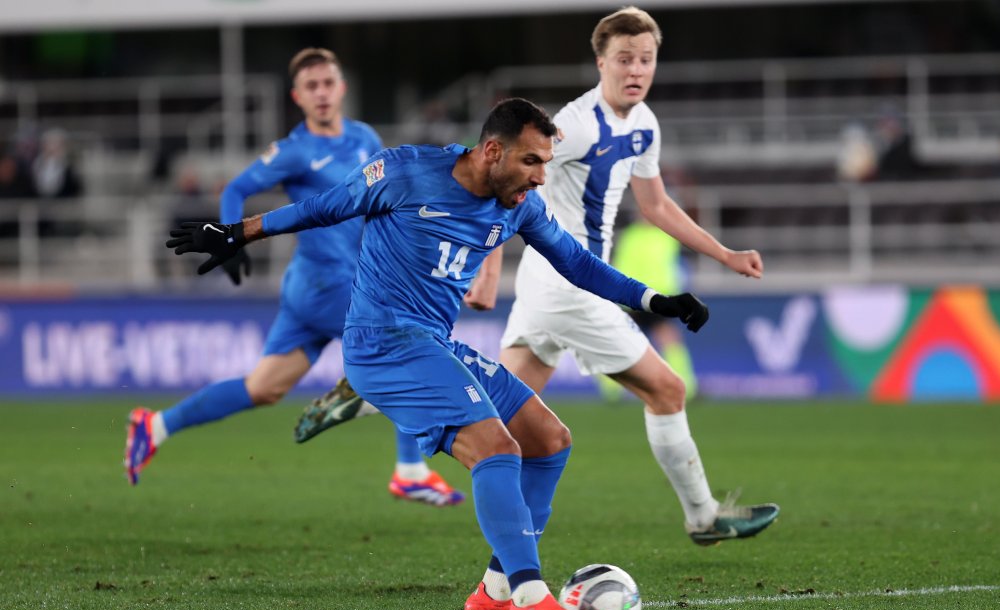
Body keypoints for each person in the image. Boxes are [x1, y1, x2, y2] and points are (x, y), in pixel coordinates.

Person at [166, 97, 709, 610]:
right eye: (531, 161)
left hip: (432, 343)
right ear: (492, 151)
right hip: (381, 343)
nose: (541, 177)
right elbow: (324, 207)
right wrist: (236, 232)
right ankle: (531, 600)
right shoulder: (405, 171)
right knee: (495, 448)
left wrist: (653, 300)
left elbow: (576, 261)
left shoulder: (519, 204)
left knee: (549, 440)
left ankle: (497, 592)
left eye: (546, 163)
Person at [294, 7, 779, 548]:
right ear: (601, 63)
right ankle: (702, 516)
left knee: (504, 403)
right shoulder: (576, 125)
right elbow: (501, 186)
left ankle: (370, 394)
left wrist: (723, 254)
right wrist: (486, 271)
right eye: (624, 59)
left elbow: (656, 205)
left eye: (646, 59)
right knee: (666, 389)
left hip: (548, 287)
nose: (636, 69)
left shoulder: (644, 124)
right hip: (569, 286)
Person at [124, 47, 464, 507]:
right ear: (297, 97)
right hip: (327, 283)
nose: (321, 93)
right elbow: (238, 188)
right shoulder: (294, 150)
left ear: (342, 88)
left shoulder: (364, 137)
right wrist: (230, 238)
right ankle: (410, 471)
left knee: (263, 387)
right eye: (311, 86)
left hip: (318, 287)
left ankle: (156, 425)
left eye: (328, 83)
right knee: (403, 348)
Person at [597, 215, 698, 402]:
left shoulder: (659, 236)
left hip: (656, 297)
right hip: (634, 296)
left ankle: (686, 387)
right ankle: (611, 390)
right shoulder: (640, 235)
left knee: (667, 340)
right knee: (619, 341)